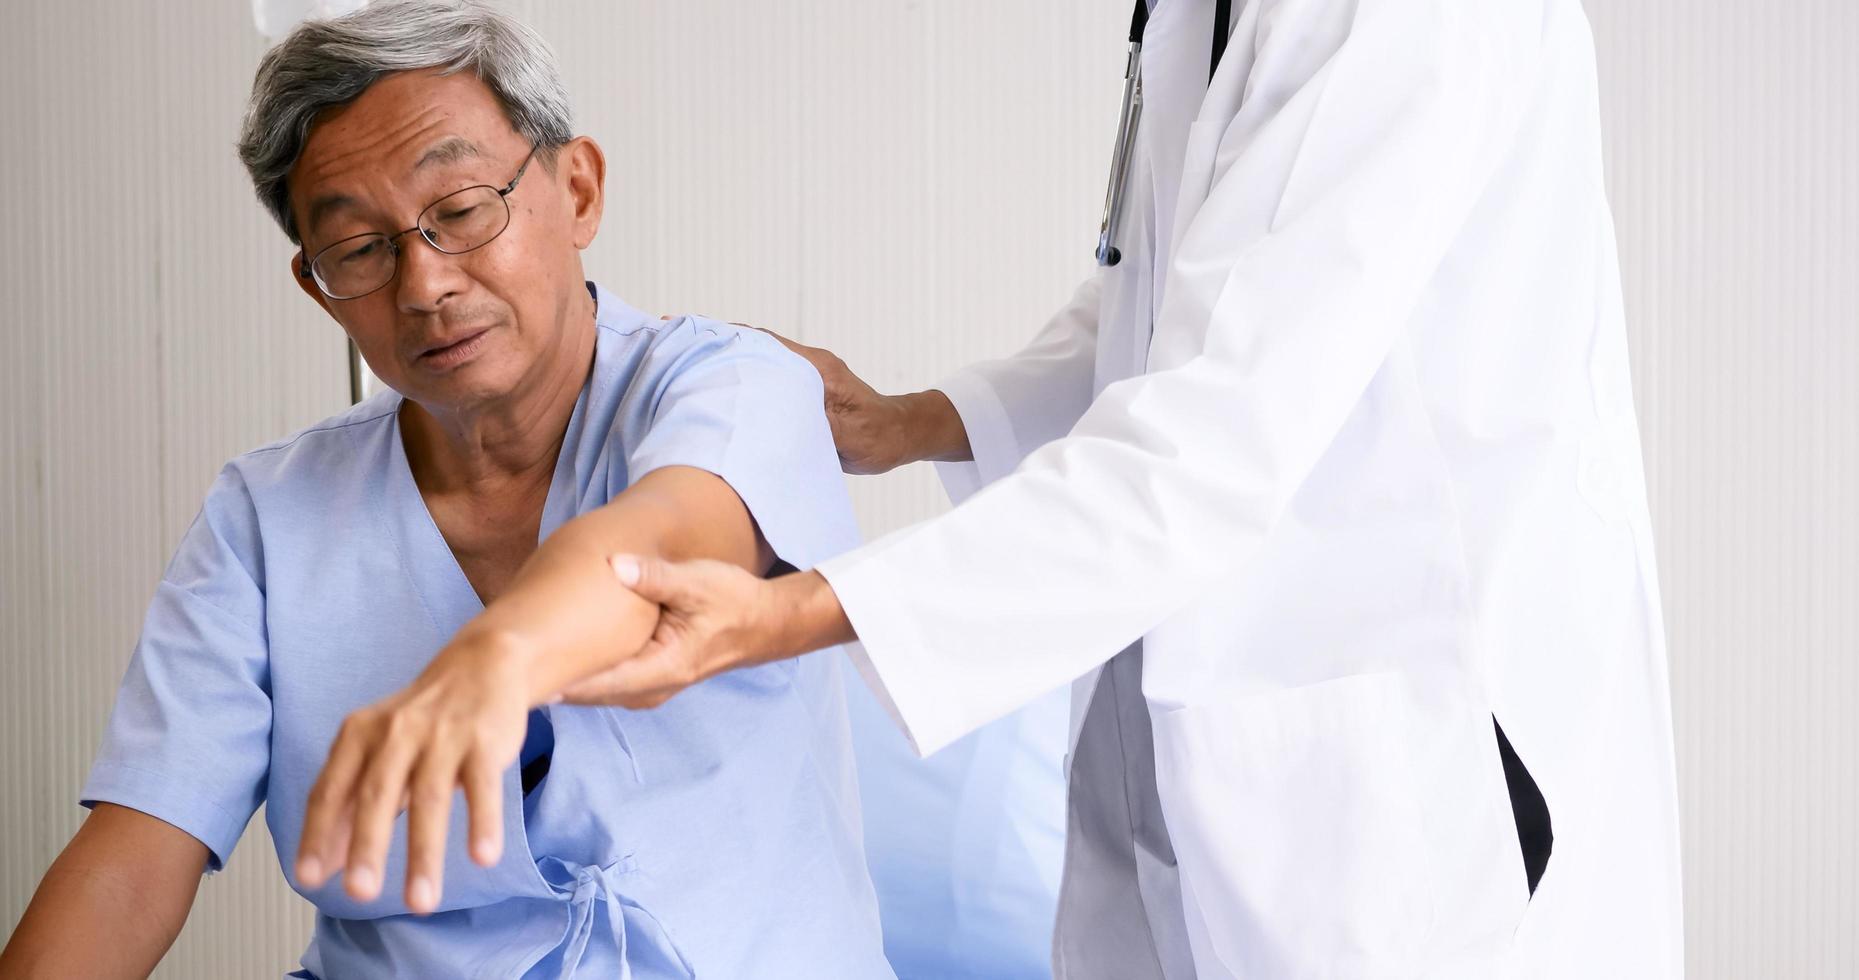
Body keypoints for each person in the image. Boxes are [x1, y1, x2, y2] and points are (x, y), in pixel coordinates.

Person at [542, 0, 1689, 977]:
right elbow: (1162, 305)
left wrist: (793, 613)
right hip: (1217, 753)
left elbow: (1210, 428)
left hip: (1423, 779)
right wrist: (912, 420)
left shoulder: (1396, 20)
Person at [0, 2, 891, 977]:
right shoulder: (266, 514)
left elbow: (669, 540)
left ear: (578, 189)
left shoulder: (732, 384)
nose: (423, 283)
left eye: (460, 212)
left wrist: (491, 666)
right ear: (317, 285)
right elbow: (133, 861)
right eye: (361, 249)